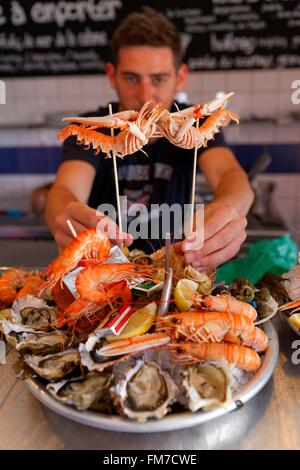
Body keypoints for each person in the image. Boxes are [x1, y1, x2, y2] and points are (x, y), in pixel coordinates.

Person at [45, 7, 254, 270]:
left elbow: (231, 177)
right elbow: (64, 191)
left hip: (176, 268)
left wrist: (227, 210)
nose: (145, 94)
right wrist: (65, 216)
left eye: (158, 79)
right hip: (106, 268)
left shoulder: (195, 123)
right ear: (112, 75)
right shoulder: (92, 127)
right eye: (131, 78)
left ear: (180, 78)